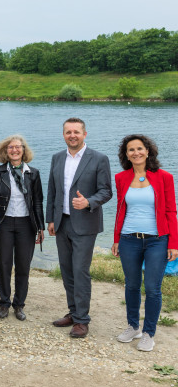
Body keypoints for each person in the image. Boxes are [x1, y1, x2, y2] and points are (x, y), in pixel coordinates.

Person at [46, 117, 112, 339]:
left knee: (80, 271)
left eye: (76, 132)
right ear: (63, 134)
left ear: (85, 134)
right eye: (68, 132)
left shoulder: (99, 159)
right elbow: (53, 192)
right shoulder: (57, 158)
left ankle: (82, 320)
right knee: (66, 271)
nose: (72, 135)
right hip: (62, 222)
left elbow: (106, 191)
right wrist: (51, 220)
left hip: (85, 223)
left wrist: (89, 202)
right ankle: (73, 313)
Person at [111, 135, 178, 352]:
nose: (136, 153)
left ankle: (149, 333)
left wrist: (174, 243)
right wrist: (116, 239)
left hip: (157, 240)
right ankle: (133, 326)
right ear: (126, 155)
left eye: (140, 148)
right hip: (129, 238)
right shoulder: (121, 177)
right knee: (131, 285)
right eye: (131, 150)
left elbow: (170, 211)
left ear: (148, 151)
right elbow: (120, 211)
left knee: (152, 288)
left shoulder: (164, 177)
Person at [0, 135, 44, 321]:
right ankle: (4, 303)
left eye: (18, 147)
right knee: (4, 265)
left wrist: (40, 227)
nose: (14, 150)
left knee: (23, 267)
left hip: (26, 224)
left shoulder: (33, 173)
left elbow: (37, 202)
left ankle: (19, 304)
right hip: (4, 223)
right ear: (5, 151)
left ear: (23, 150)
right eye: (10, 148)